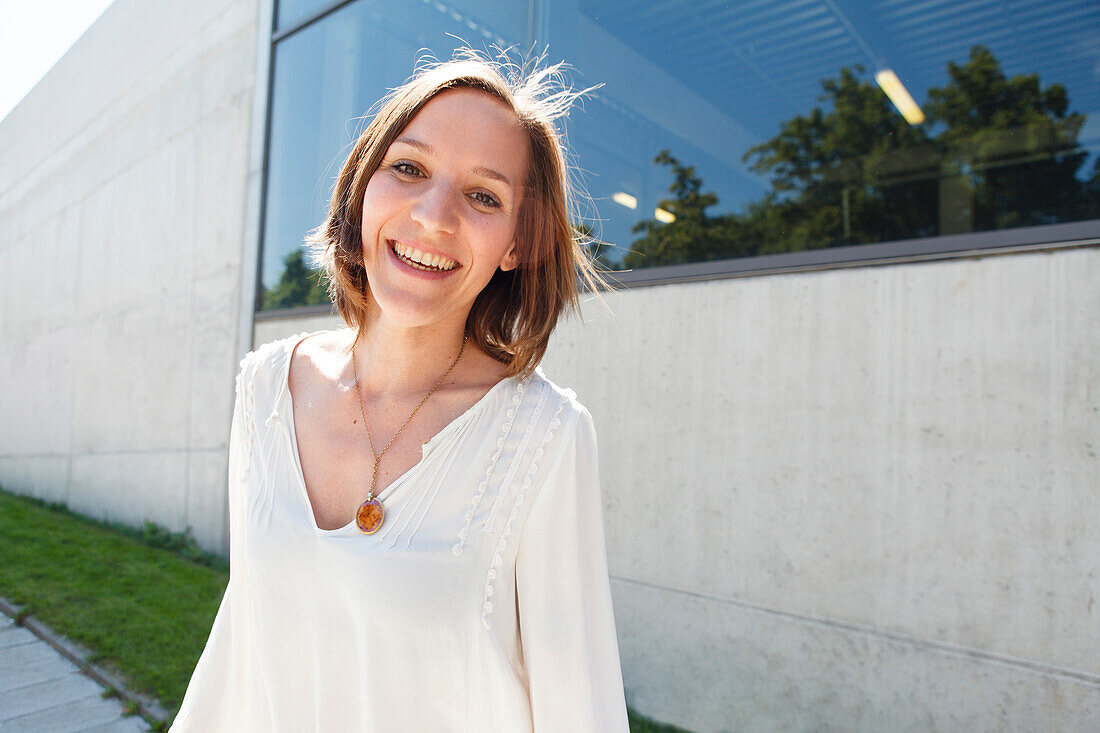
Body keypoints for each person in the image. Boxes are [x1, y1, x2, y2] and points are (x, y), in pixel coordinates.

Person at [169, 47, 629, 732]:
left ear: (517, 243)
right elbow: (246, 643)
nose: (434, 217)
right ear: (361, 189)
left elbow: (579, 711)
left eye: (483, 195)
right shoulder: (264, 388)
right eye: (408, 168)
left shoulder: (545, 437)